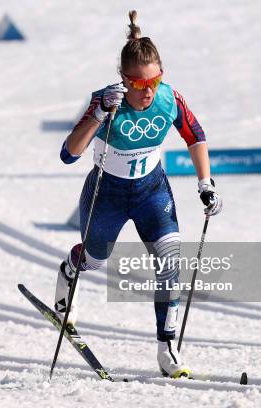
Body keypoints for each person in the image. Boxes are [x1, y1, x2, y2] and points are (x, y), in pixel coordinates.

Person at [53, 11, 222, 378]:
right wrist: (98, 113)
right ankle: (70, 270)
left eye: (156, 79)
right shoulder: (107, 101)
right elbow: (69, 154)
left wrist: (205, 184)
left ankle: (167, 348)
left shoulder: (168, 98)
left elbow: (196, 136)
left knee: (169, 261)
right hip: (108, 193)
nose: (149, 90)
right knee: (95, 262)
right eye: (140, 83)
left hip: (151, 191)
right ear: (124, 80)